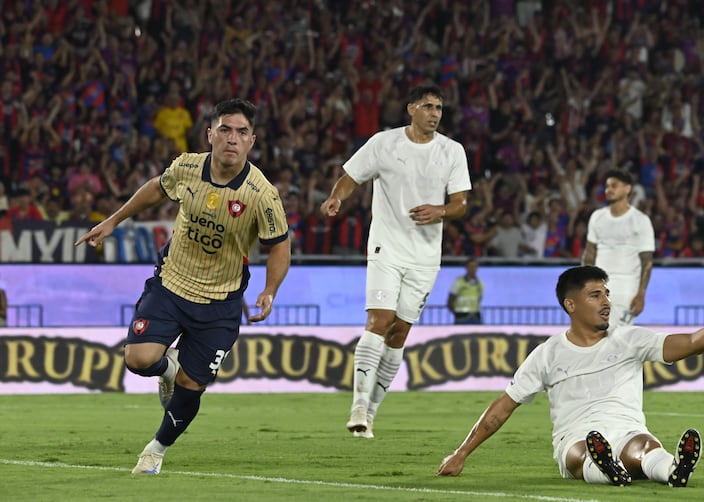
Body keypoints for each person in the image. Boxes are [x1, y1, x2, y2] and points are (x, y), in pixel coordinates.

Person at [75, 98, 291, 474]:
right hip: (172, 282)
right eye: (224, 129)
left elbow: (279, 246)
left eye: (241, 132)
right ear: (210, 133)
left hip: (220, 300)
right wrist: (113, 221)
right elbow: (158, 189)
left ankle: (155, 450)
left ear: (252, 141)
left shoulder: (261, 195)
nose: (232, 139)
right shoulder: (187, 166)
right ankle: (167, 369)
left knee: (194, 383)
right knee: (138, 359)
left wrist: (270, 290)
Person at [437, 265, 704, 487]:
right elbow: (503, 407)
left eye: (607, 293)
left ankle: (672, 469)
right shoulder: (548, 353)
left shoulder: (630, 338)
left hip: (626, 430)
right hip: (576, 437)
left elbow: (693, 343)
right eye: (596, 295)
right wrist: (461, 453)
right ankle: (613, 469)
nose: (606, 301)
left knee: (642, 446)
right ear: (571, 304)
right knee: (579, 453)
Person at [320, 84, 471, 439]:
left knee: (399, 332)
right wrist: (335, 198)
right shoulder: (383, 143)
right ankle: (357, 404)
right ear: (411, 109)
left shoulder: (452, 151)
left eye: (438, 108)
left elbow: (461, 204)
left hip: (425, 255)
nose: (434, 113)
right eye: (427, 106)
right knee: (380, 319)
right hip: (386, 246)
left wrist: (441, 211)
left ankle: (370, 414)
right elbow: (351, 177)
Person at [582, 169, 654, 328]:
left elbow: (647, 261)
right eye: (607, 186)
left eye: (614, 185)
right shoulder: (597, 217)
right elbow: (589, 253)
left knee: (619, 340)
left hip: (626, 290)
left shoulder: (640, 220)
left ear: (628, 189)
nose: (609, 189)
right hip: (599, 288)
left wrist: (641, 294)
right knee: (597, 338)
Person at [447, 257, 484, 324]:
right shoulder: (458, 282)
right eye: (470, 266)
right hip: (462, 318)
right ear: (466, 268)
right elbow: (450, 301)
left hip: (475, 317)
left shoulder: (480, 284)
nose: (473, 269)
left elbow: (479, 299)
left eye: (475, 266)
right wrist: (457, 314)